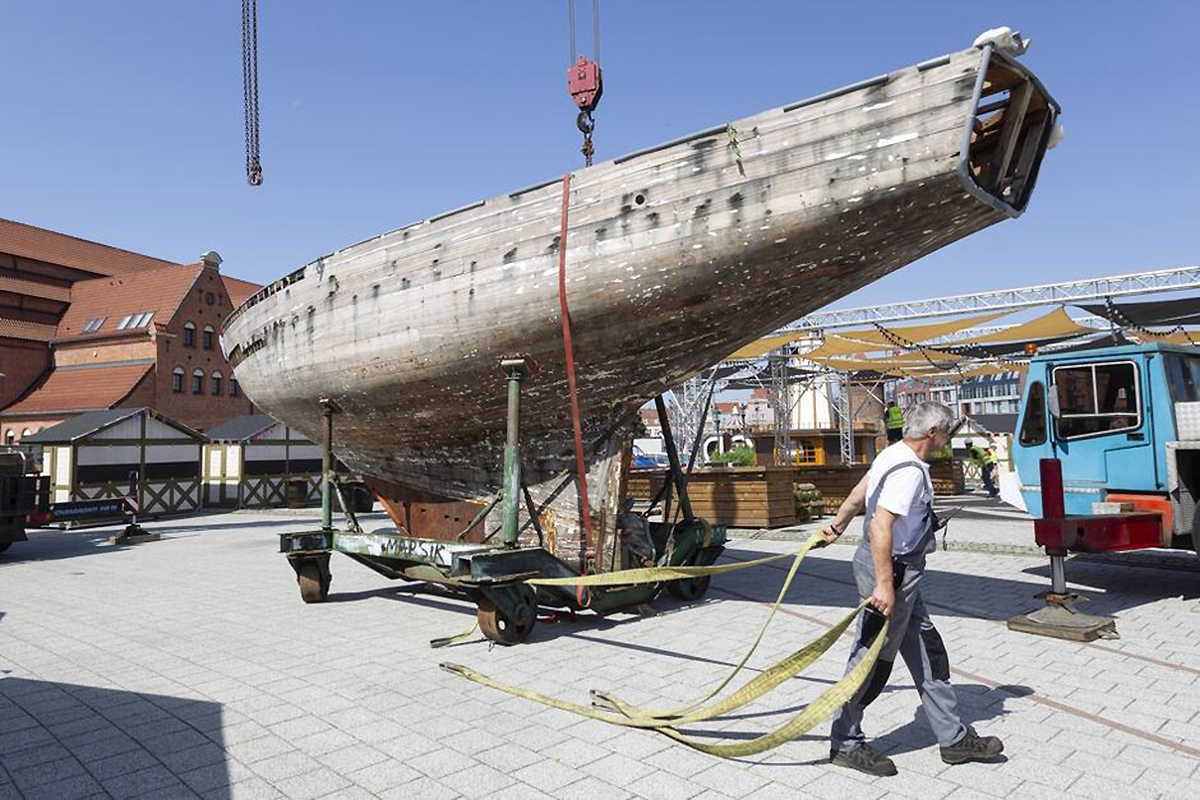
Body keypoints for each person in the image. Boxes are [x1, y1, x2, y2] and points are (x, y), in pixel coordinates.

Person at [819, 402, 1003, 776]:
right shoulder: (909, 473)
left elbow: (858, 493)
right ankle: (845, 742)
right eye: (947, 432)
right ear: (933, 432)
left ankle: (953, 738)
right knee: (871, 659)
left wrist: (836, 527)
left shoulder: (893, 454)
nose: (947, 439)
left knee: (927, 651)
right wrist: (885, 585)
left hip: (897, 573)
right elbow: (880, 526)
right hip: (892, 572)